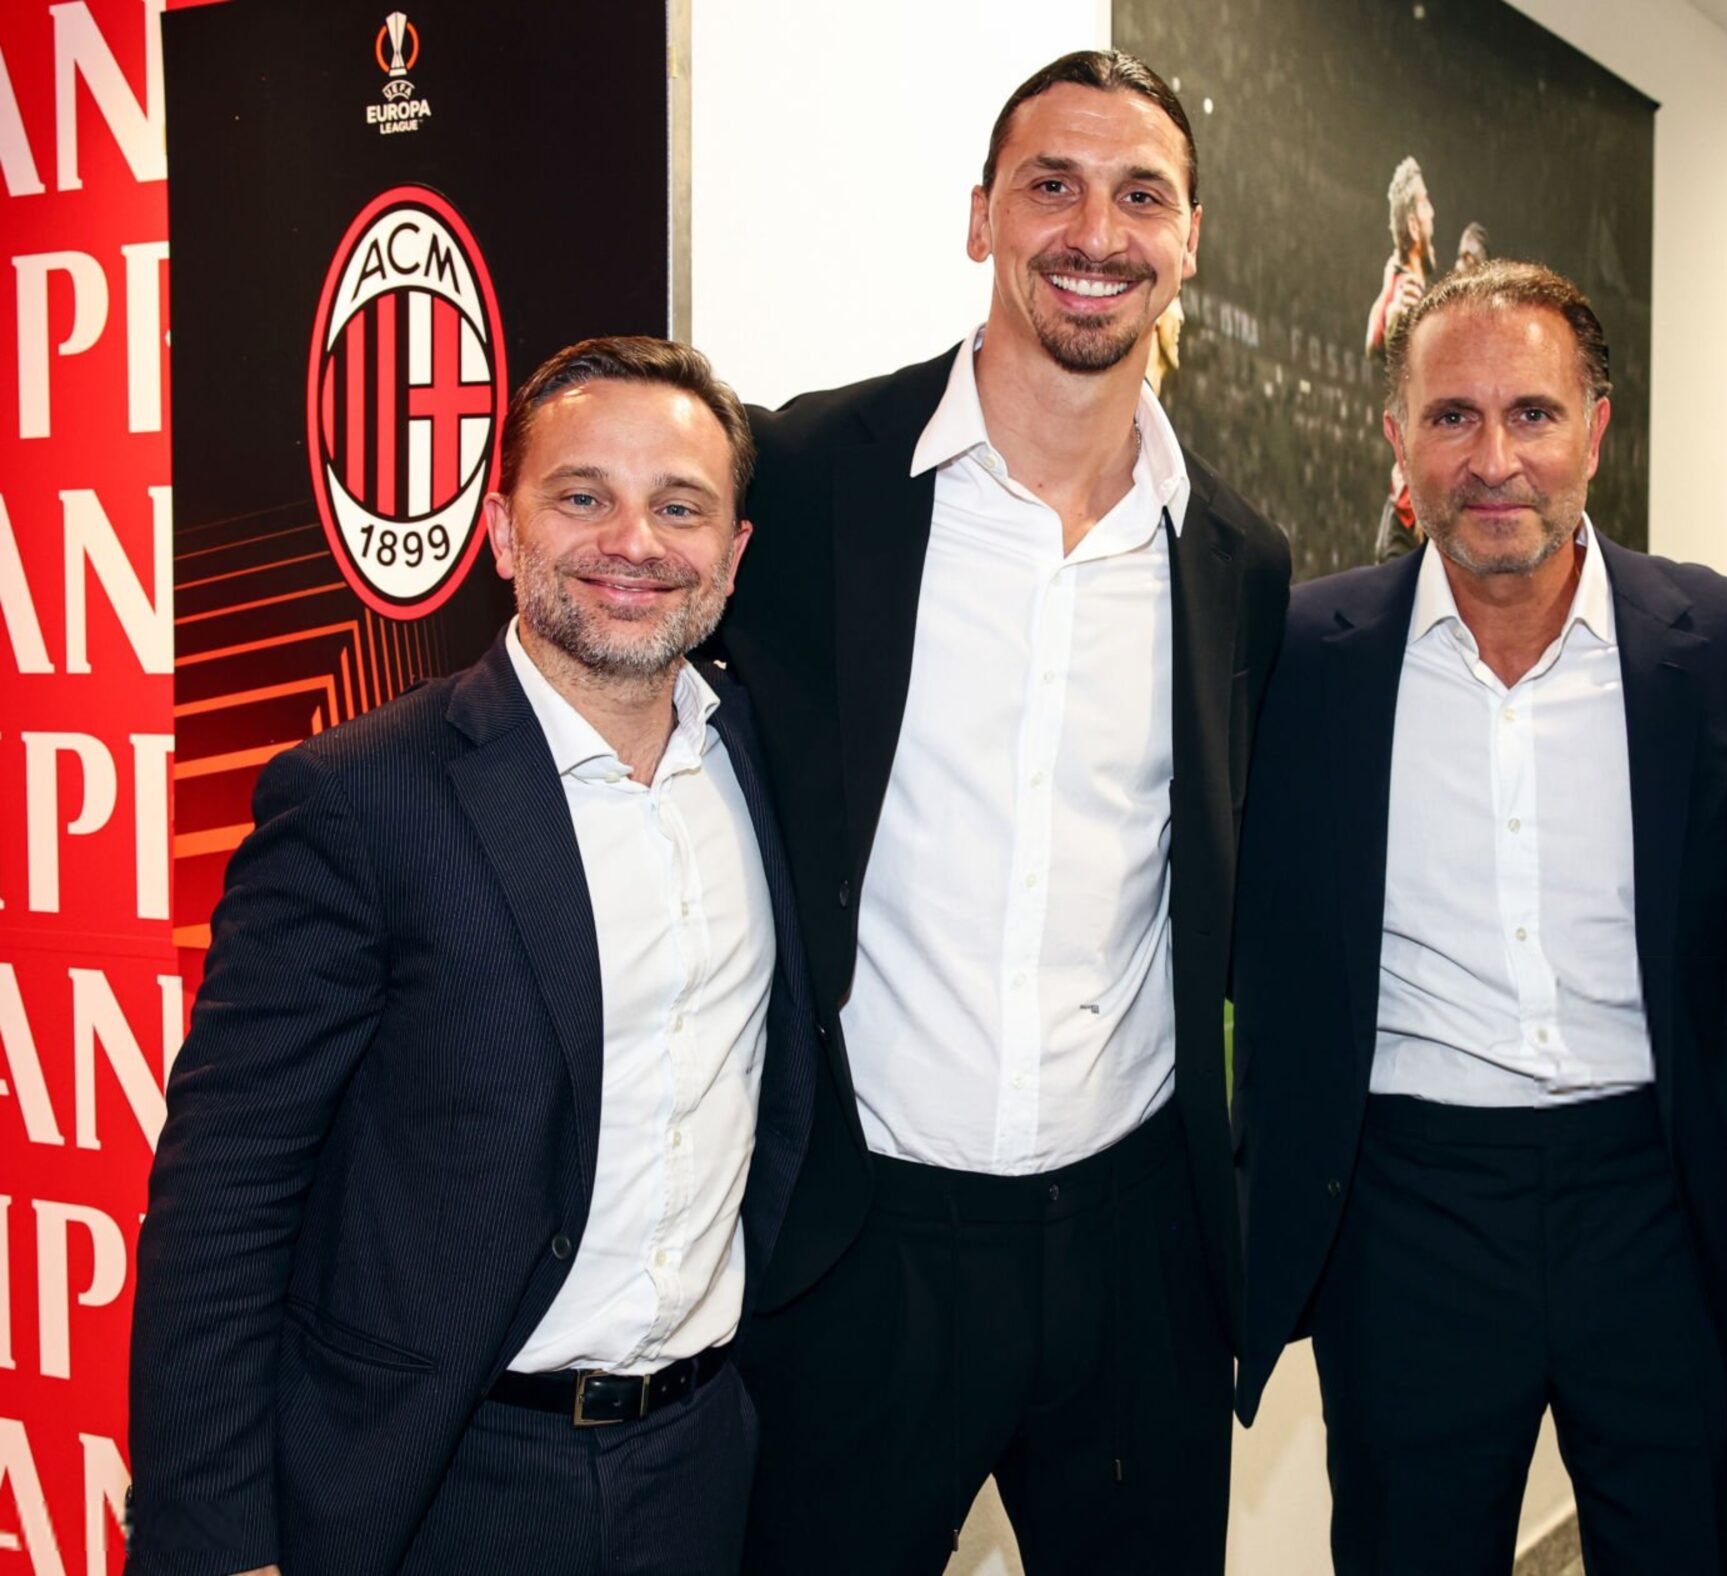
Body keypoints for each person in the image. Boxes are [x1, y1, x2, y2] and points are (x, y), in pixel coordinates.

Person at [714, 50, 1290, 1576]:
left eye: (1139, 194)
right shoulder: (803, 480)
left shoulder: (1235, 557)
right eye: (1051, 184)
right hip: (858, 1250)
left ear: (1187, 239)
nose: (1093, 229)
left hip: (1135, 1257)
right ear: (982, 218)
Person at [126, 336, 814, 1576]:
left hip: (703, 1463)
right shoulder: (359, 798)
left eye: (679, 506)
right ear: (501, 531)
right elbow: (227, 1192)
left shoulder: (767, 764)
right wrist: (215, 1538)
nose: (634, 542)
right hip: (449, 1479)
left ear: (735, 553)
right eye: (581, 496)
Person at [1233, 260, 1727, 1575]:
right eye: (1452, 417)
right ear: (1398, 442)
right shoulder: (1296, 657)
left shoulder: (1726, 650)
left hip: (1663, 1195)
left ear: (1596, 431)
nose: (1495, 460)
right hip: (1409, 1209)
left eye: (1534, 415)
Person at [1366, 156, 1439, 562]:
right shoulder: (1407, 293)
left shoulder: (1406, 281)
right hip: (1411, 511)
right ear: (1413, 224)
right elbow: (1381, 338)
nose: (1433, 216)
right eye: (1426, 206)